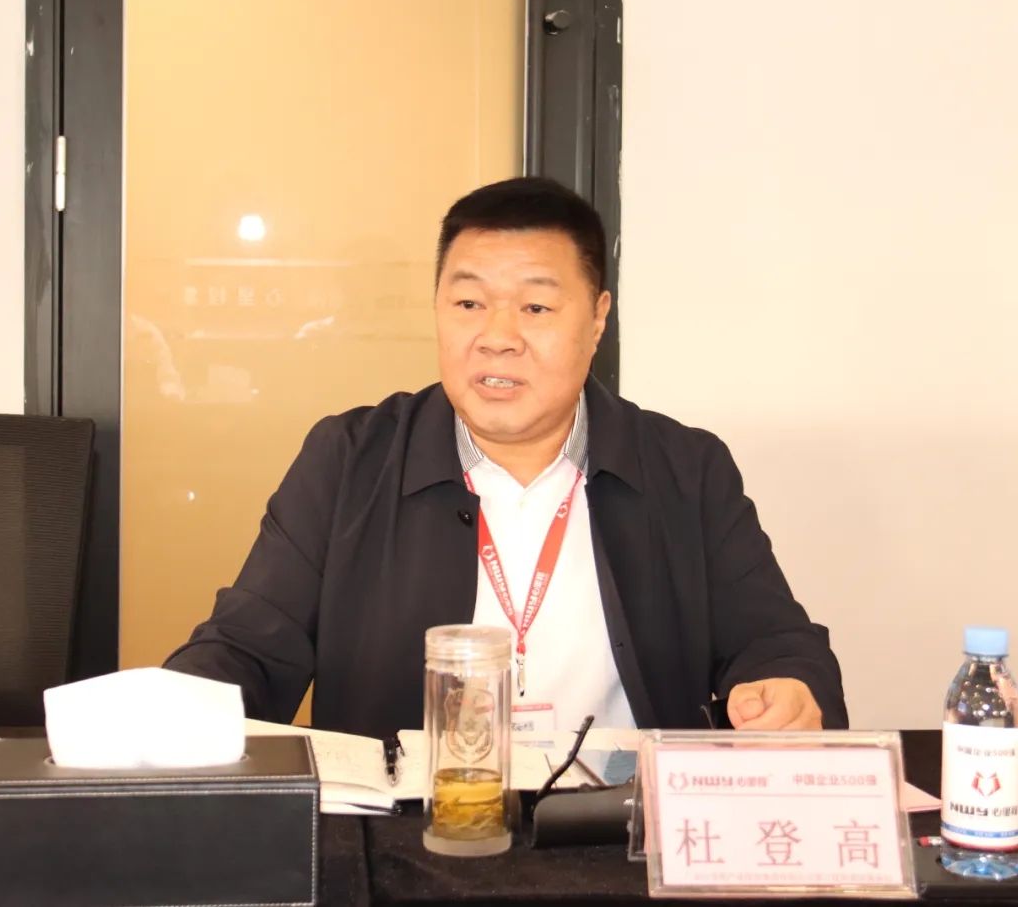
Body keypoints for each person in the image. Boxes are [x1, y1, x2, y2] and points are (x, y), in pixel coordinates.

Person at [165, 177, 847, 737]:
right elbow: (249, 645)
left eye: (536, 308)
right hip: (406, 837)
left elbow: (776, 642)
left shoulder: (685, 468)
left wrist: (786, 688)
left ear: (598, 318)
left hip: (623, 835)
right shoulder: (349, 460)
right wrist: (174, 707)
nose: (497, 337)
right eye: (469, 302)